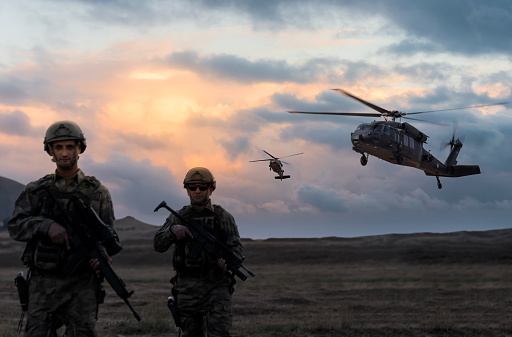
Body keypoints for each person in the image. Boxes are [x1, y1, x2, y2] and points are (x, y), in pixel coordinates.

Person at [8, 120, 117, 337]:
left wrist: (101, 254)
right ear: (50, 150)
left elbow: (108, 235)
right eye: (58, 147)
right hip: (43, 284)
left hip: (82, 285)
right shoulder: (37, 190)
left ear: (79, 149)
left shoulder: (97, 192)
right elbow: (15, 226)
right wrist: (45, 225)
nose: (65, 153)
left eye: (70, 147)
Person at [154, 167, 244, 337]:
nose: (197, 191)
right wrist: (173, 231)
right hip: (187, 287)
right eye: (192, 187)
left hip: (217, 286)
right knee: (191, 333)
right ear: (186, 189)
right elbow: (158, 244)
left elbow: (236, 247)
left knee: (219, 333)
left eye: (202, 187)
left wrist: (229, 262)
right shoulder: (178, 216)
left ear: (211, 189)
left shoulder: (223, 217)